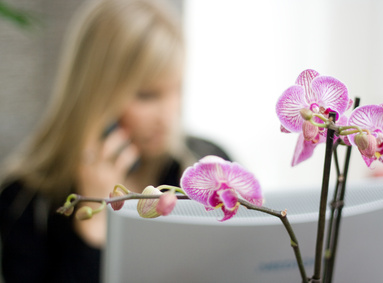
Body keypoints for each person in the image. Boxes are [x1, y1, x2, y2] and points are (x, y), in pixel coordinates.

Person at [0, 0, 230, 282]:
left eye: (177, 89)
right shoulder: (25, 200)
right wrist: (93, 221)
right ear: (96, 93)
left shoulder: (206, 167)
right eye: (148, 95)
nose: (168, 116)